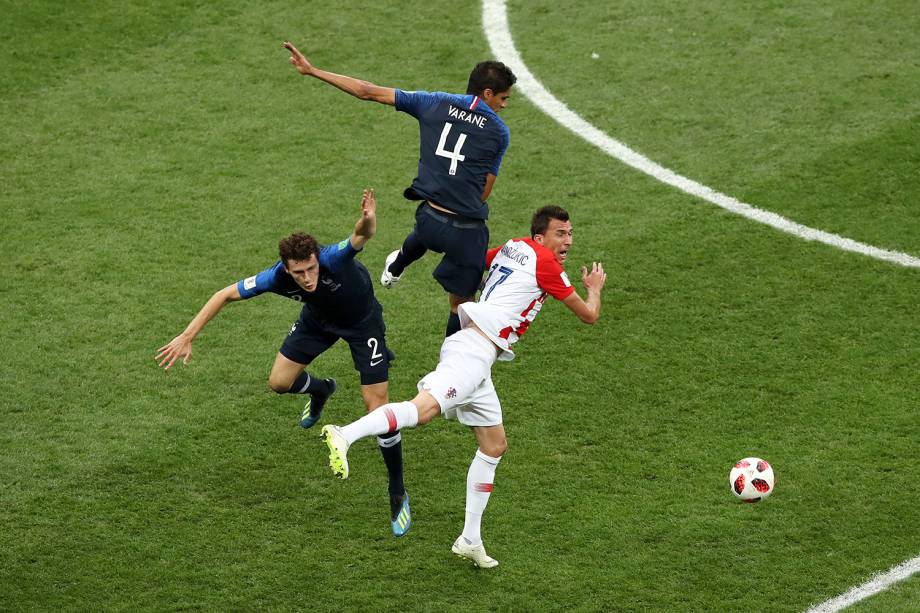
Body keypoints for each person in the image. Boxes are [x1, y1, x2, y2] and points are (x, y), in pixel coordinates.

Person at [320, 205, 607, 567]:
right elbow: (589, 315)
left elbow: (472, 260)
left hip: (477, 355)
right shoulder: (545, 264)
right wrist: (593, 289)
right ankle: (344, 433)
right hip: (472, 353)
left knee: (494, 444)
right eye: (560, 234)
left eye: (570, 233)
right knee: (421, 411)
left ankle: (470, 539)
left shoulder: (513, 245)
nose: (568, 240)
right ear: (540, 237)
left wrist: (407, 258)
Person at [156, 189, 412, 536]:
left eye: (310, 268)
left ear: (316, 259)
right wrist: (188, 335)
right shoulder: (276, 277)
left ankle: (397, 490)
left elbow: (360, 236)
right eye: (298, 273)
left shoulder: (333, 259)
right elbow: (224, 294)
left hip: (361, 323)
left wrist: (368, 219)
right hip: (318, 321)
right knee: (278, 382)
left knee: (375, 406)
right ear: (286, 269)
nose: (307, 277)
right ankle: (322, 390)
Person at [283, 42, 516, 338]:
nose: (504, 105)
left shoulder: (433, 102)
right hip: (466, 232)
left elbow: (367, 91)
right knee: (462, 307)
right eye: (504, 98)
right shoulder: (498, 131)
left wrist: (313, 70)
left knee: (428, 230)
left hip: (428, 219)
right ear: (487, 94)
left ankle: (399, 261)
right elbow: (484, 192)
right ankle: (451, 367)